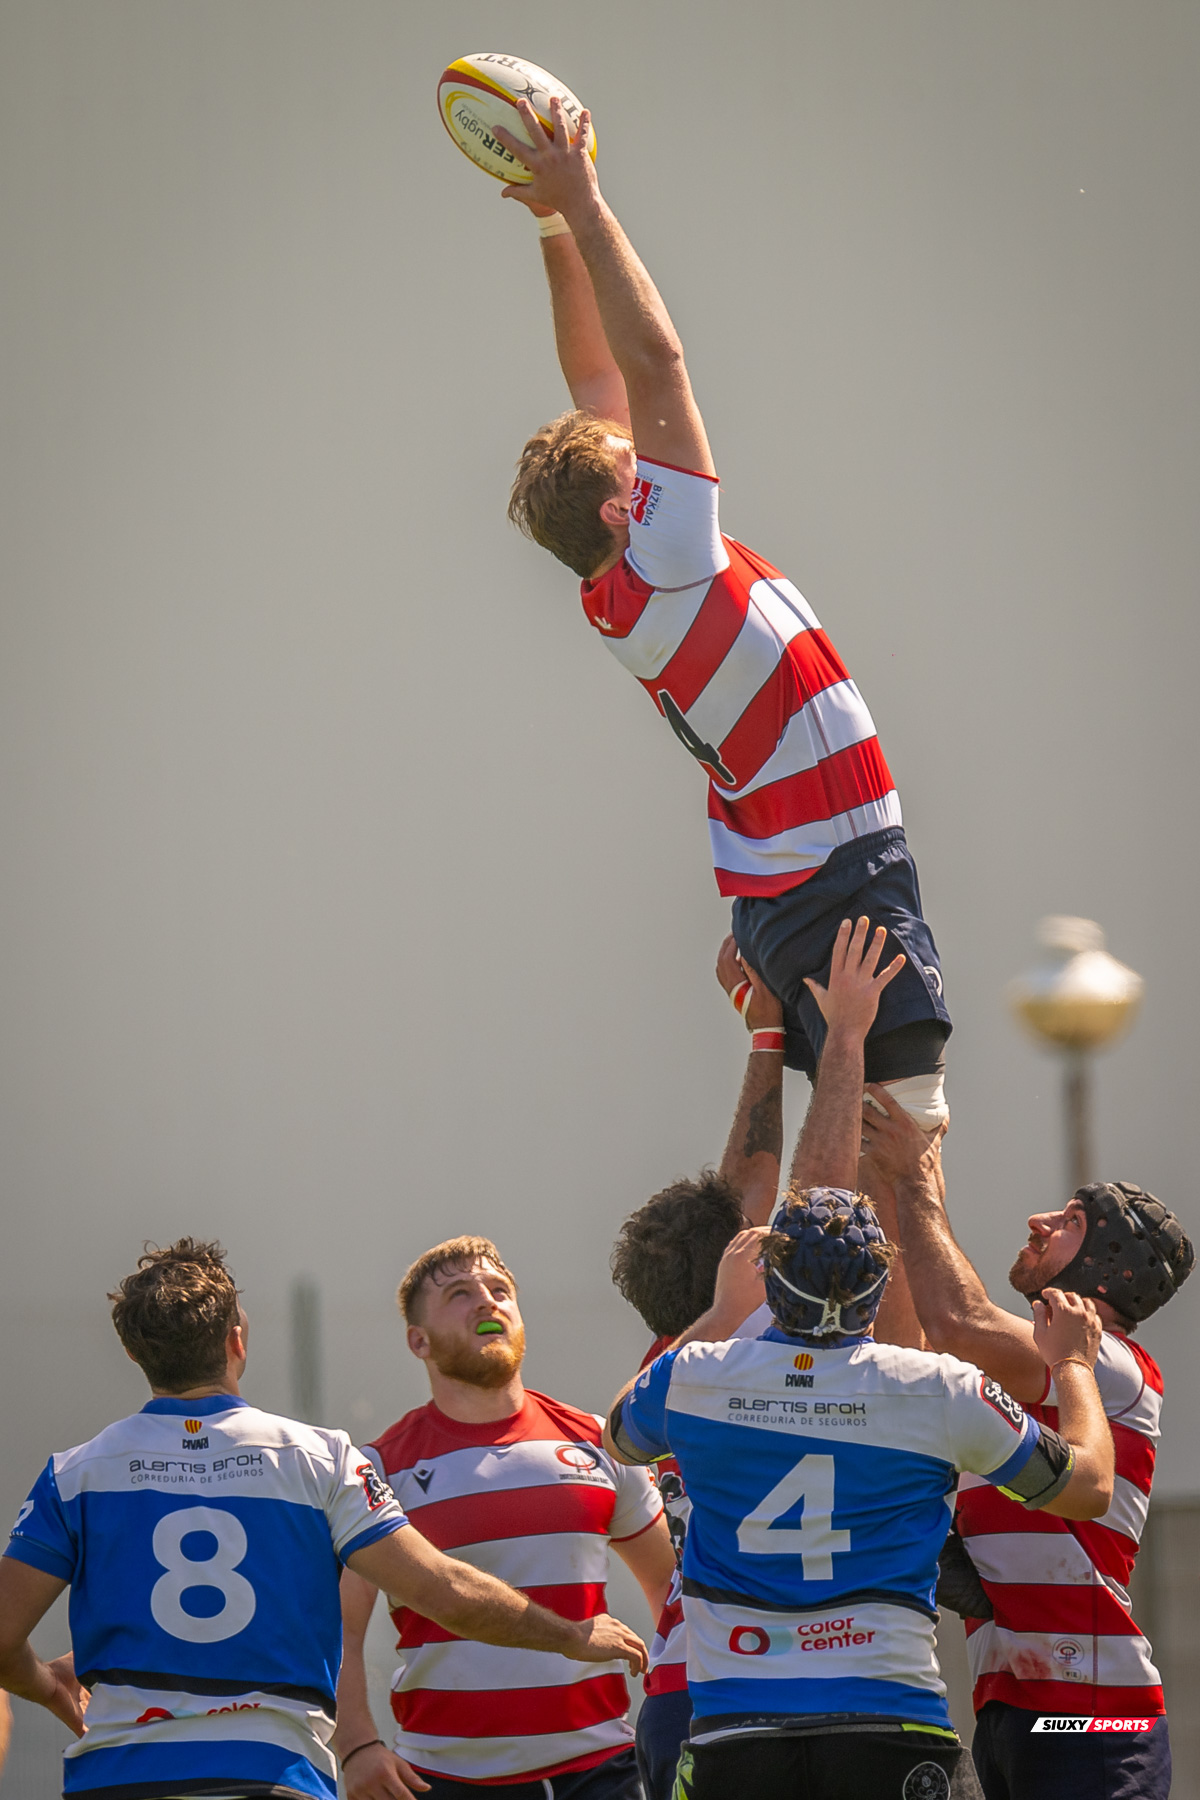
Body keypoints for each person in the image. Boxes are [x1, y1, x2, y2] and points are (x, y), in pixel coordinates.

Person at [499, 96, 950, 1142]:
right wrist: (591, 196)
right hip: (838, 883)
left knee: (874, 1180)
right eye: (632, 464)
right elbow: (651, 364)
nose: (648, 448)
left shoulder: (629, 578)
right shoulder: (671, 561)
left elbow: (600, 382)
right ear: (624, 507)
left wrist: (556, 227)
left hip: (794, 887)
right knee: (901, 1173)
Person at [602, 918, 1116, 1800]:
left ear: (762, 1274)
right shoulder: (936, 1389)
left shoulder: (697, 1374)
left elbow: (618, 1432)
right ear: (879, 1293)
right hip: (891, 1715)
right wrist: (1071, 1366)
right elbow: (1087, 1488)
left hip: (732, 1717)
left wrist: (722, 1318)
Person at [0, 1239, 646, 1800]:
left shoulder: (76, 1473)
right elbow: (445, 1592)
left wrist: (45, 1684)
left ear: (136, 1354)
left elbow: (2, 1637)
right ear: (236, 1340)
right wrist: (569, 1635)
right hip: (273, 1774)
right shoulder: (319, 1459)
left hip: (120, 1777)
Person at [861, 1090, 1194, 1800]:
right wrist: (896, 1171)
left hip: (1093, 1718)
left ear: (1111, 1261)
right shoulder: (1037, 1367)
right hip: (1014, 1708)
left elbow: (954, 1320)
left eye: (1071, 1221)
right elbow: (917, 1336)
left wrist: (916, 1173)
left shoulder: (1106, 1361)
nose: (1038, 1221)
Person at [333, 1235, 675, 1800]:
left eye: (500, 1291)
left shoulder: (598, 1442)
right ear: (418, 1340)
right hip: (445, 1779)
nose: (487, 1303)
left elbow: (671, 1591)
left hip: (602, 1772)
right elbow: (340, 1628)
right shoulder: (379, 1468)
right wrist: (357, 1743)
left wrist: (675, 1711)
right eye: (460, 1295)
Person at [609, 937, 785, 1797]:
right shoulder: (755, 1342)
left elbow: (743, 1197)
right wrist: (793, 1040)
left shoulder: (665, 1367)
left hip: (677, 1689)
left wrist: (766, 1035)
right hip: (779, 1685)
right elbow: (763, 1197)